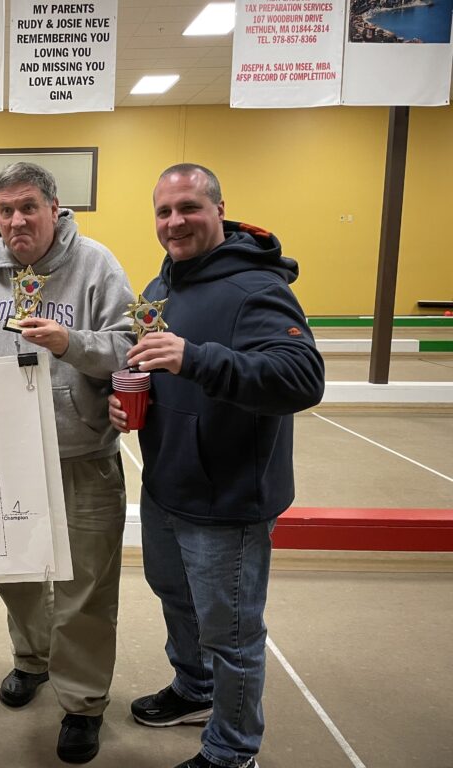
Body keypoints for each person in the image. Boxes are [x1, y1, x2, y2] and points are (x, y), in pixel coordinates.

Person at [108, 163, 325, 768]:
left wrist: (196, 358)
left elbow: (303, 378)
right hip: (167, 485)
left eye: (189, 208)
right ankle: (194, 688)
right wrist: (126, 401)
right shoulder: (161, 286)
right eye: (164, 212)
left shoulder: (256, 288)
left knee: (231, 634)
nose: (175, 222)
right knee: (176, 599)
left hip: (228, 500)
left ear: (219, 212)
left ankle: (233, 749)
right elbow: (151, 365)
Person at [0, 162, 134, 764]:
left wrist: (71, 344)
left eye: (29, 207)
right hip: (6, 460)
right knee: (16, 575)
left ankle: (83, 702)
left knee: (85, 587)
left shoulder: (97, 265)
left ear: (54, 209)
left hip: (81, 454)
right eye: (6, 210)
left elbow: (130, 345)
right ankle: (32, 659)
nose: (17, 221)